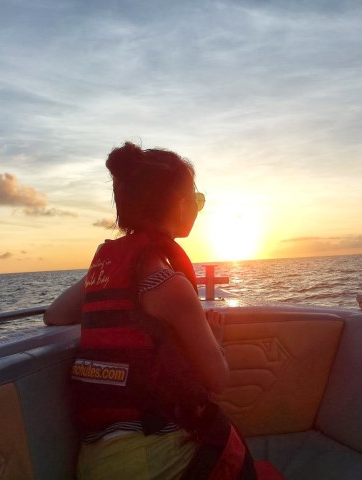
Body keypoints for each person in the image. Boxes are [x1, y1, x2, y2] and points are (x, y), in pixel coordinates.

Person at [44, 142, 258, 480]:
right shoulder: (170, 285)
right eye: (196, 199)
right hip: (151, 459)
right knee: (228, 445)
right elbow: (218, 380)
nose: (198, 207)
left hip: (94, 460)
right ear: (178, 204)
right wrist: (216, 340)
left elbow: (55, 315)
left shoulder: (107, 268)